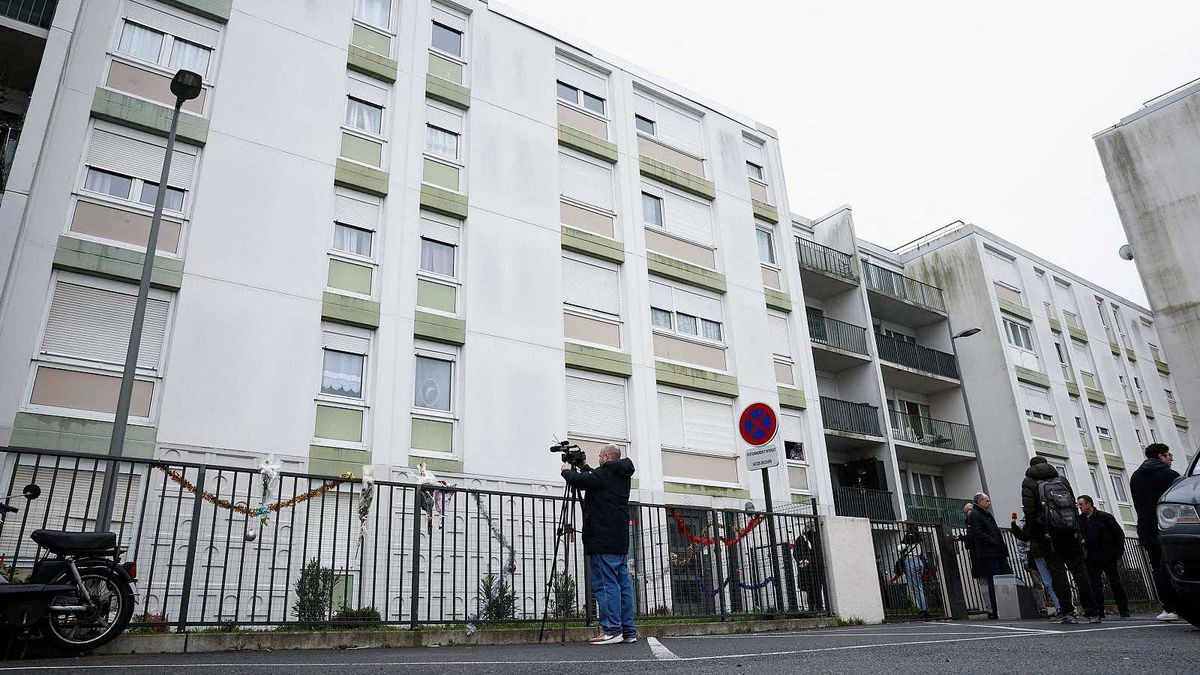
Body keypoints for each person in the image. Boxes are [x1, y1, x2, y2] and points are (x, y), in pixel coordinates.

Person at [561, 444, 637, 644]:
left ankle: (612, 630)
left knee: (606, 585)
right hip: (619, 540)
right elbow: (595, 479)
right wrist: (584, 466)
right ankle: (628, 631)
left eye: (600, 456)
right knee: (623, 585)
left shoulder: (606, 473)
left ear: (605, 456)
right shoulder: (621, 474)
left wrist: (567, 472)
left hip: (603, 538)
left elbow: (584, 481)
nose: (599, 459)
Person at [1021, 456, 1100, 624]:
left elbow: (1030, 513)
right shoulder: (1062, 480)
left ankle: (1068, 612)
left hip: (1049, 535)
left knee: (1058, 574)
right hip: (1070, 532)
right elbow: (1072, 506)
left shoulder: (1029, 483)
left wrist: (1035, 534)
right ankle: (1093, 612)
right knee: (1080, 572)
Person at [1129, 443, 1181, 621]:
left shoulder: (1136, 477)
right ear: (1160, 456)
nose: (1171, 458)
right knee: (1179, 565)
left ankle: (1168, 607)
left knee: (1157, 568)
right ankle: (1184, 605)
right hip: (1170, 528)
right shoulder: (1170, 475)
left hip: (1147, 528)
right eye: (1168, 455)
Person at [1077, 495, 1129, 619]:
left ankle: (1123, 609)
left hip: (1107, 554)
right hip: (1091, 555)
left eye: (1081, 504)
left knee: (1115, 582)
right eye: (1079, 504)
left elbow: (1119, 534)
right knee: (1095, 584)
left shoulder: (1104, 517)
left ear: (1089, 504)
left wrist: (1118, 552)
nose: (1080, 507)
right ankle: (1099, 611)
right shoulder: (1080, 520)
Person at [964, 492, 1009, 620]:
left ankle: (999, 608)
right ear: (979, 502)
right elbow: (978, 533)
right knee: (991, 581)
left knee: (997, 579)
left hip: (994, 552)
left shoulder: (984, 515)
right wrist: (993, 541)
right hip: (988, 553)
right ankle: (994, 609)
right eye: (986, 500)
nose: (989, 503)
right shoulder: (976, 515)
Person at [1010, 516, 1061, 616]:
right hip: (1034, 557)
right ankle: (1044, 608)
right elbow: (1022, 543)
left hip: (1040, 555)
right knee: (1040, 583)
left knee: (1050, 582)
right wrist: (1025, 560)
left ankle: (1058, 606)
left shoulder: (1042, 520)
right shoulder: (1025, 524)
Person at [898, 521, 930, 620]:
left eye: (903, 525)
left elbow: (900, 548)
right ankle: (924, 609)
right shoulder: (917, 536)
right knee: (919, 586)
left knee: (916, 588)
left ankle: (923, 610)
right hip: (919, 561)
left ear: (907, 526)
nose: (902, 527)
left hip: (911, 561)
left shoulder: (908, 536)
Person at [792, 522, 826, 613]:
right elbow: (796, 553)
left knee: (817, 588)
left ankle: (818, 607)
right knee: (810, 589)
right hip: (807, 569)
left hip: (816, 568)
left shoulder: (815, 538)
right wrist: (802, 560)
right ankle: (813, 608)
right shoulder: (801, 539)